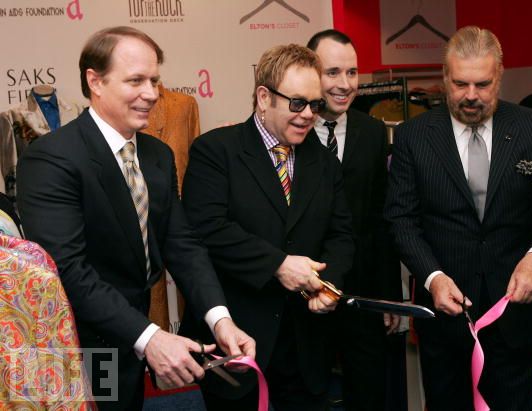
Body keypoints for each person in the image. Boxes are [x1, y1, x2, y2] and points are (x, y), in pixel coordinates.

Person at [16, 26, 255, 411]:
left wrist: (220, 319)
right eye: (136, 81)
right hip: (81, 345)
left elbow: (182, 245)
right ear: (95, 81)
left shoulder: (157, 155)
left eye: (154, 80)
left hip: (131, 338)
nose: (152, 93)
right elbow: (68, 270)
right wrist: (151, 337)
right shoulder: (52, 158)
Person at [385, 26, 532, 411]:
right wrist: (433, 277)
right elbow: (401, 219)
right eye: (460, 84)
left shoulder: (531, 127)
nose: (471, 95)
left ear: (499, 76)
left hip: (515, 315)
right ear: (444, 77)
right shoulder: (413, 137)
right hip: (445, 320)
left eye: (483, 84)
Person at [180, 44, 354, 411]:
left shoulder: (324, 162)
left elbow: (341, 235)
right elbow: (207, 230)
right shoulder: (216, 151)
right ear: (264, 97)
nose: (308, 115)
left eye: (315, 105)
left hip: (306, 344)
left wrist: (328, 286)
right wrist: (278, 265)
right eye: (297, 103)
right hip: (237, 336)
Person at [306, 29, 402, 411]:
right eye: (332, 73)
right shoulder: (292, 133)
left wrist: (389, 296)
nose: (344, 85)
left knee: (369, 393)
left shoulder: (373, 131)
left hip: (363, 295)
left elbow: (382, 219)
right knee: (309, 394)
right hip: (307, 294)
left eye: (352, 72)